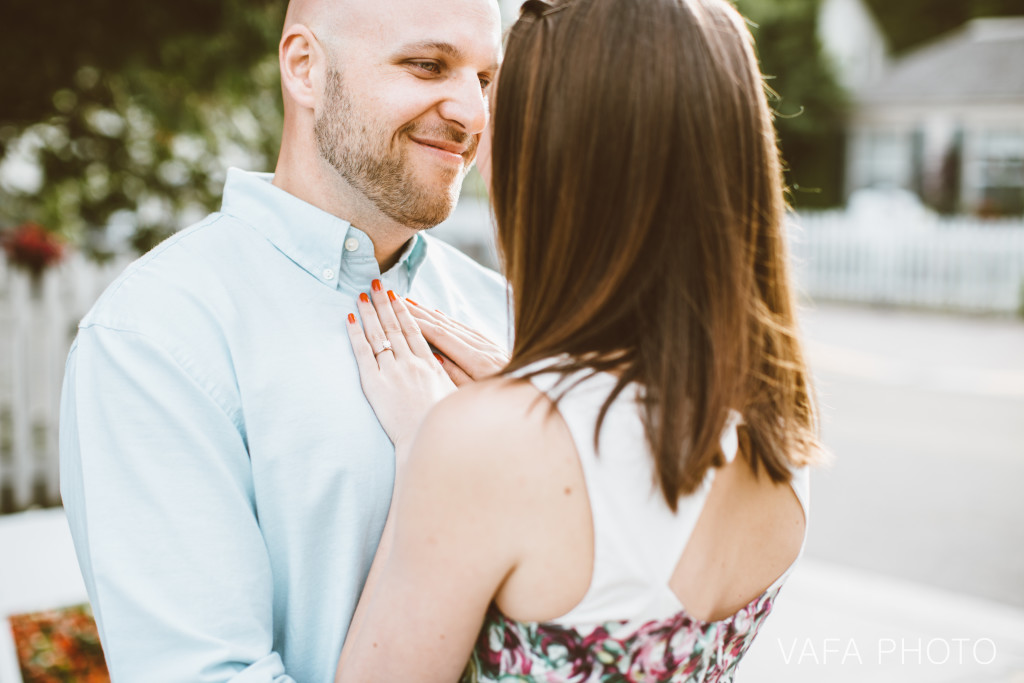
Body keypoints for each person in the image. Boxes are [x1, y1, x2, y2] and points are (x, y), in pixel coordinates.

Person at [334, 0, 824, 680]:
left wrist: (431, 439)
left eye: (498, 126)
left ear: (557, 172)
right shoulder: (777, 426)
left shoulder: (481, 444)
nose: (479, 159)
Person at [58, 0, 507, 680]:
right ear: (304, 68)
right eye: (427, 66)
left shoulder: (504, 313)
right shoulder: (157, 335)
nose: (472, 114)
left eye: (485, 80)